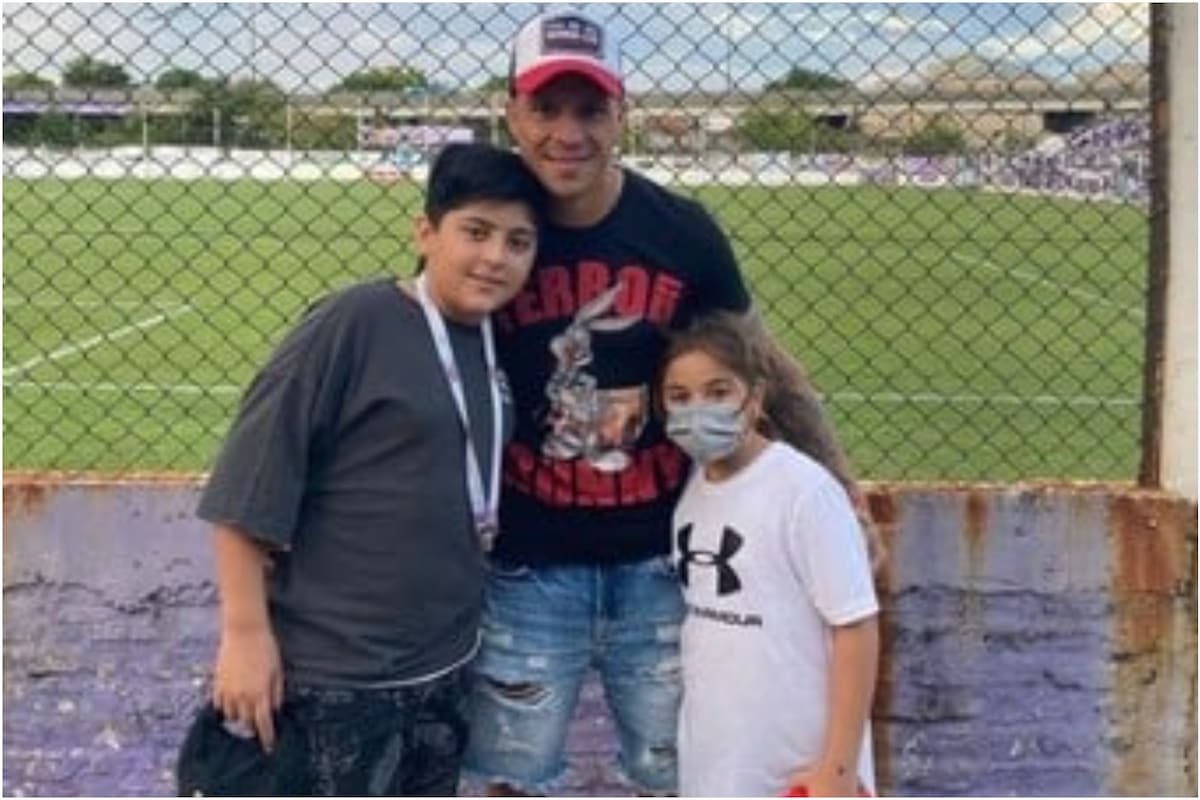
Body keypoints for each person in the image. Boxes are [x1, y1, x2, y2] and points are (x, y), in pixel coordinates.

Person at [465, 10, 879, 796]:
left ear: (621, 114)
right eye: (545, 108)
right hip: (528, 561)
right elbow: (431, 346)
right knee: (511, 776)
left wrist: (843, 487)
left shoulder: (680, 232)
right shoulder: (498, 230)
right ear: (512, 113)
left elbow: (765, 367)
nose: (567, 132)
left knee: (670, 769)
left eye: (590, 109)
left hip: (661, 558)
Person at [192, 142, 547, 796]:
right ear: (425, 232)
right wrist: (244, 636)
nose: (497, 257)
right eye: (476, 232)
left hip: (443, 673)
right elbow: (246, 486)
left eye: (518, 242)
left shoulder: (497, 344)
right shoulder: (353, 323)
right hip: (332, 679)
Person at [661, 311, 879, 797]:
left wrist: (837, 770)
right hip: (719, 763)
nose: (699, 410)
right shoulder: (692, 488)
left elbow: (856, 627)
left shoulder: (803, 491)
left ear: (755, 399)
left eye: (719, 393)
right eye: (680, 398)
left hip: (800, 770)